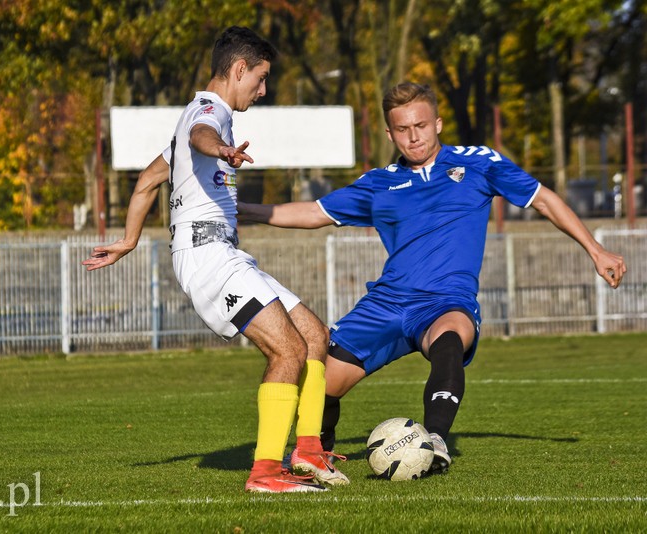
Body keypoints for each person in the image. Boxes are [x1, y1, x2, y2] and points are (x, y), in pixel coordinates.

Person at [237, 82, 627, 473]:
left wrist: (596, 250)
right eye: (403, 129)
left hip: (444, 302)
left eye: (421, 125)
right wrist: (244, 211)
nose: (413, 136)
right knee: (318, 380)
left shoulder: (478, 163)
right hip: (386, 304)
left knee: (451, 335)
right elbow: (313, 213)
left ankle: (435, 440)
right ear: (390, 133)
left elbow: (542, 198)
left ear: (437, 123)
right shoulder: (379, 183)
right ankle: (316, 454)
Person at [83, 26, 348, 492]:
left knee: (314, 334)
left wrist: (128, 241)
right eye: (260, 79)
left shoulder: (192, 122)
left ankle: (308, 453)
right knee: (288, 349)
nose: (263, 90)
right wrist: (220, 147)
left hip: (222, 252)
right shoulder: (209, 114)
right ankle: (266, 473)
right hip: (206, 256)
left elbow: (147, 182)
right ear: (239, 69)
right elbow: (205, 134)